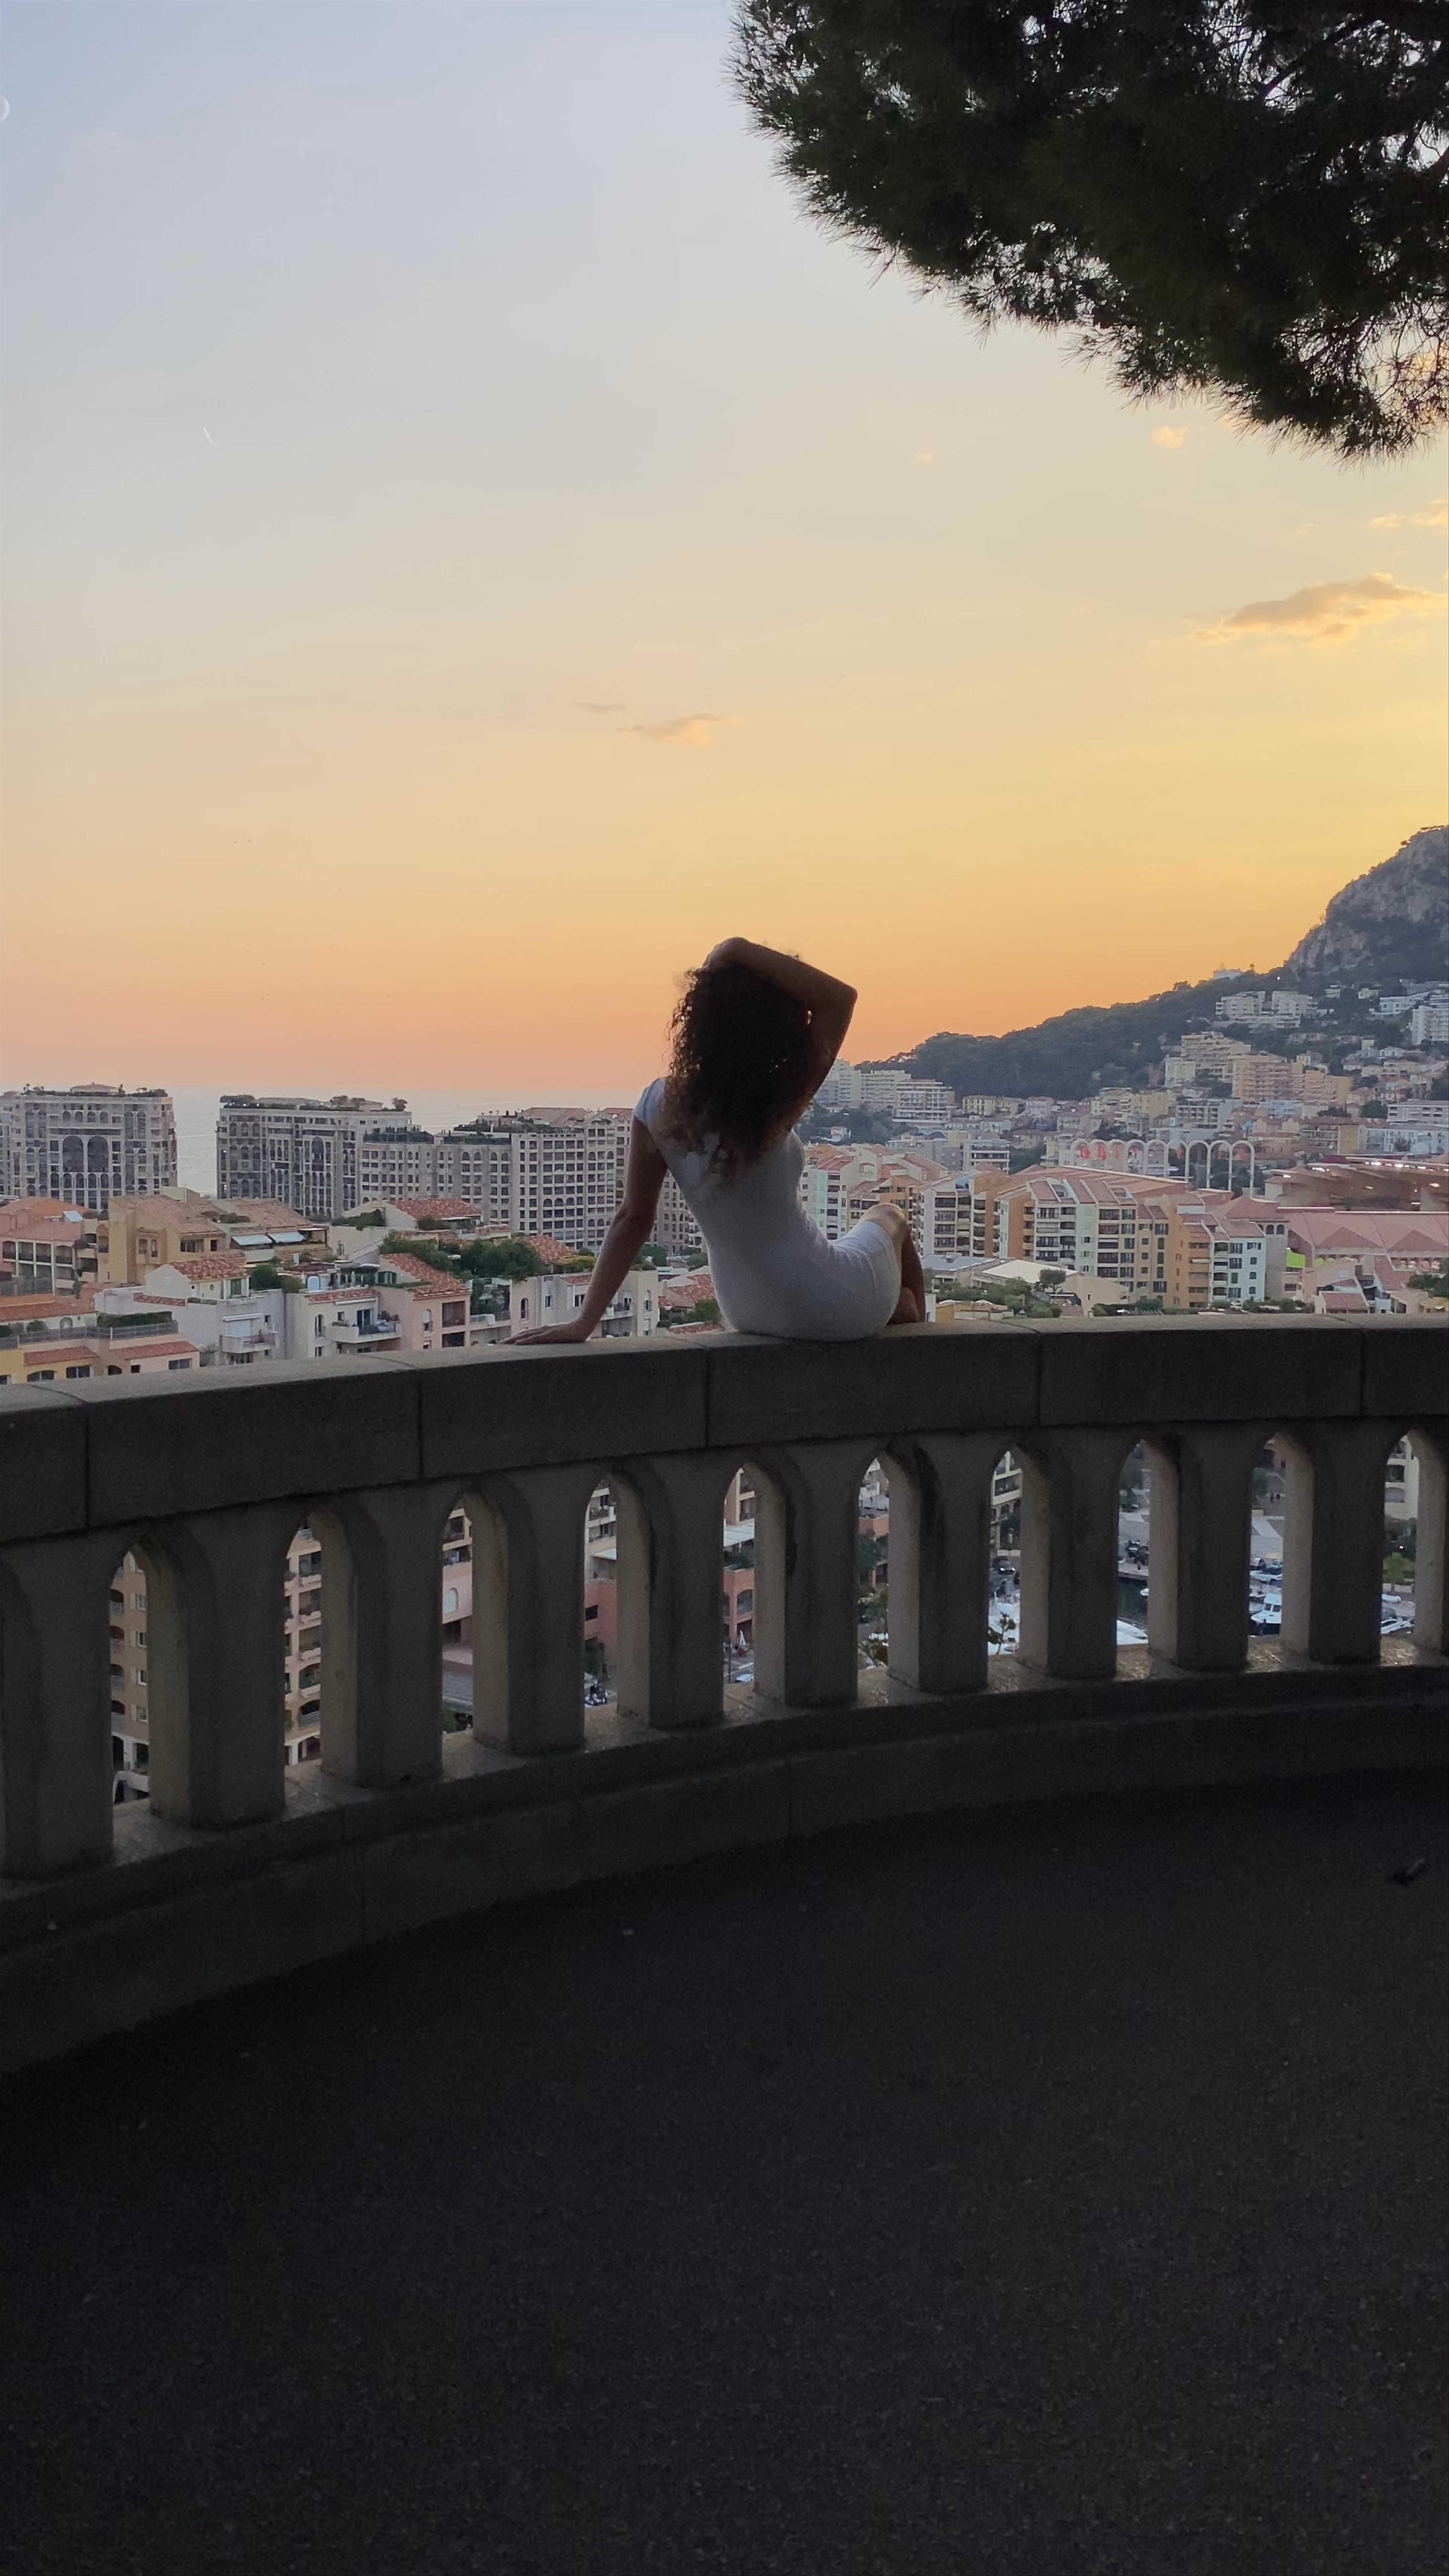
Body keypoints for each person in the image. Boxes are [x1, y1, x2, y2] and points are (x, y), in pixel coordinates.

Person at [514, 938, 925, 1345]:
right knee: (891, 1216)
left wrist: (584, 1322)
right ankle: (928, 1344)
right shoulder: (773, 1102)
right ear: (779, 1026)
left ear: (698, 1022)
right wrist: (735, 949)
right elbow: (840, 1000)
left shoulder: (658, 1104)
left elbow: (634, 1218)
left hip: (745, 1309)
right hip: (829, 1301)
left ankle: (899, 1308)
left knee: (875, 1259)